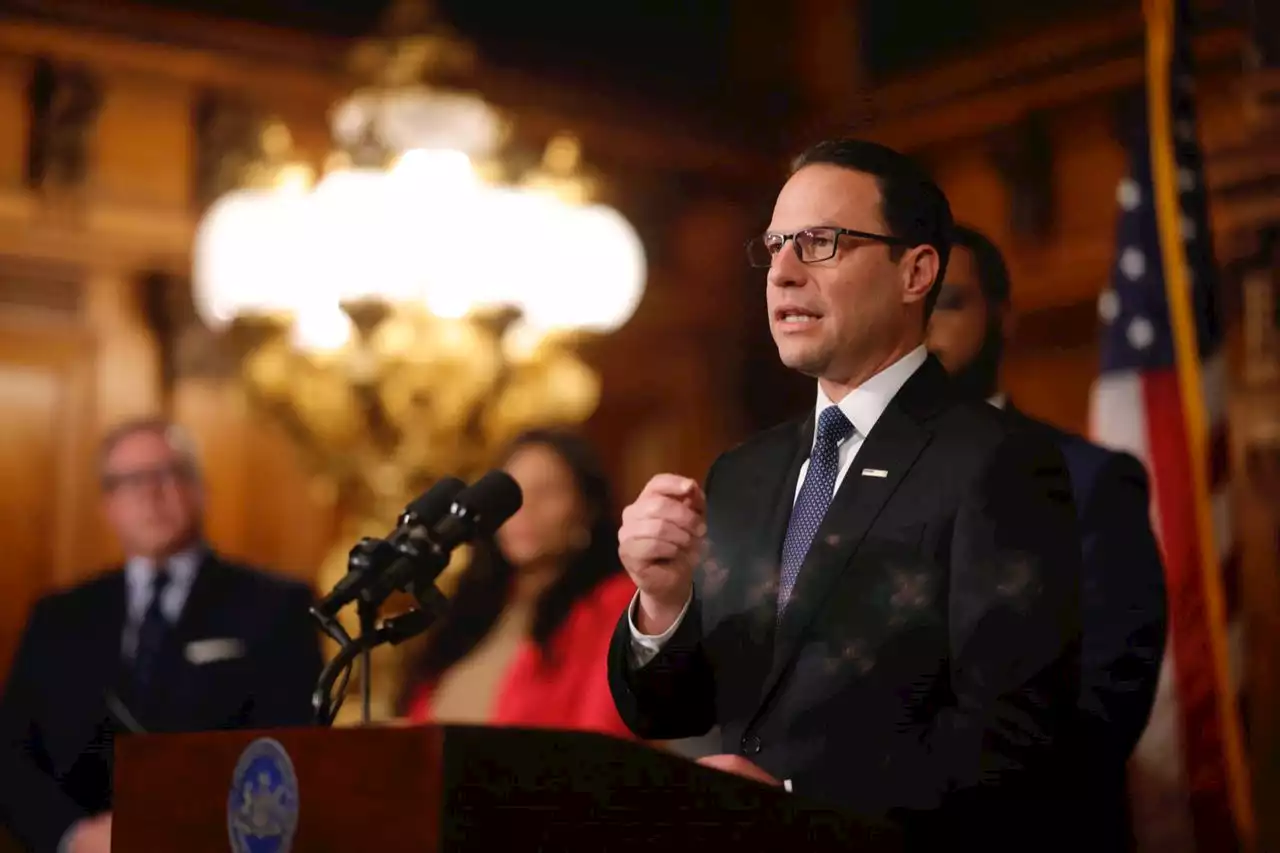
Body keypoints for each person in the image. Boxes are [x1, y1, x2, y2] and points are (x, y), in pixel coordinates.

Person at [607, 139, 1084, 846]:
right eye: (774, 246)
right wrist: (663, 602)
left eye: (821, 243)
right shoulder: (744, 473)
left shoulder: (1000, 460)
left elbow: (1016, 735)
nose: (784, 273)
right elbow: (667, 711)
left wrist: (801, 803)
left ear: (915, 270)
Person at [927, 223, 1167, 850]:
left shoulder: (1090, 481)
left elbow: (1107, 702)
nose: (922, 328)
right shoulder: (849, 487)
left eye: (948, 302)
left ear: (1003, 318)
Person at [0, 417, 323, 853]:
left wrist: (173, 831)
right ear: (107, 505)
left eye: (166, 474)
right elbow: (12, 756)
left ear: (200, 488)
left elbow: (291, 752)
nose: (150, 495)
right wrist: (73, 836)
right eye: (129, 481)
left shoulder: (277, 607)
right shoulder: (59, 616)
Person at [401, 429, 635, 738]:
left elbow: (604, 742)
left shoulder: (616, 603)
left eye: (547, 492)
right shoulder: (472, 610)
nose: (524, 509)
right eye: (513, 496)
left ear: (586, 510)